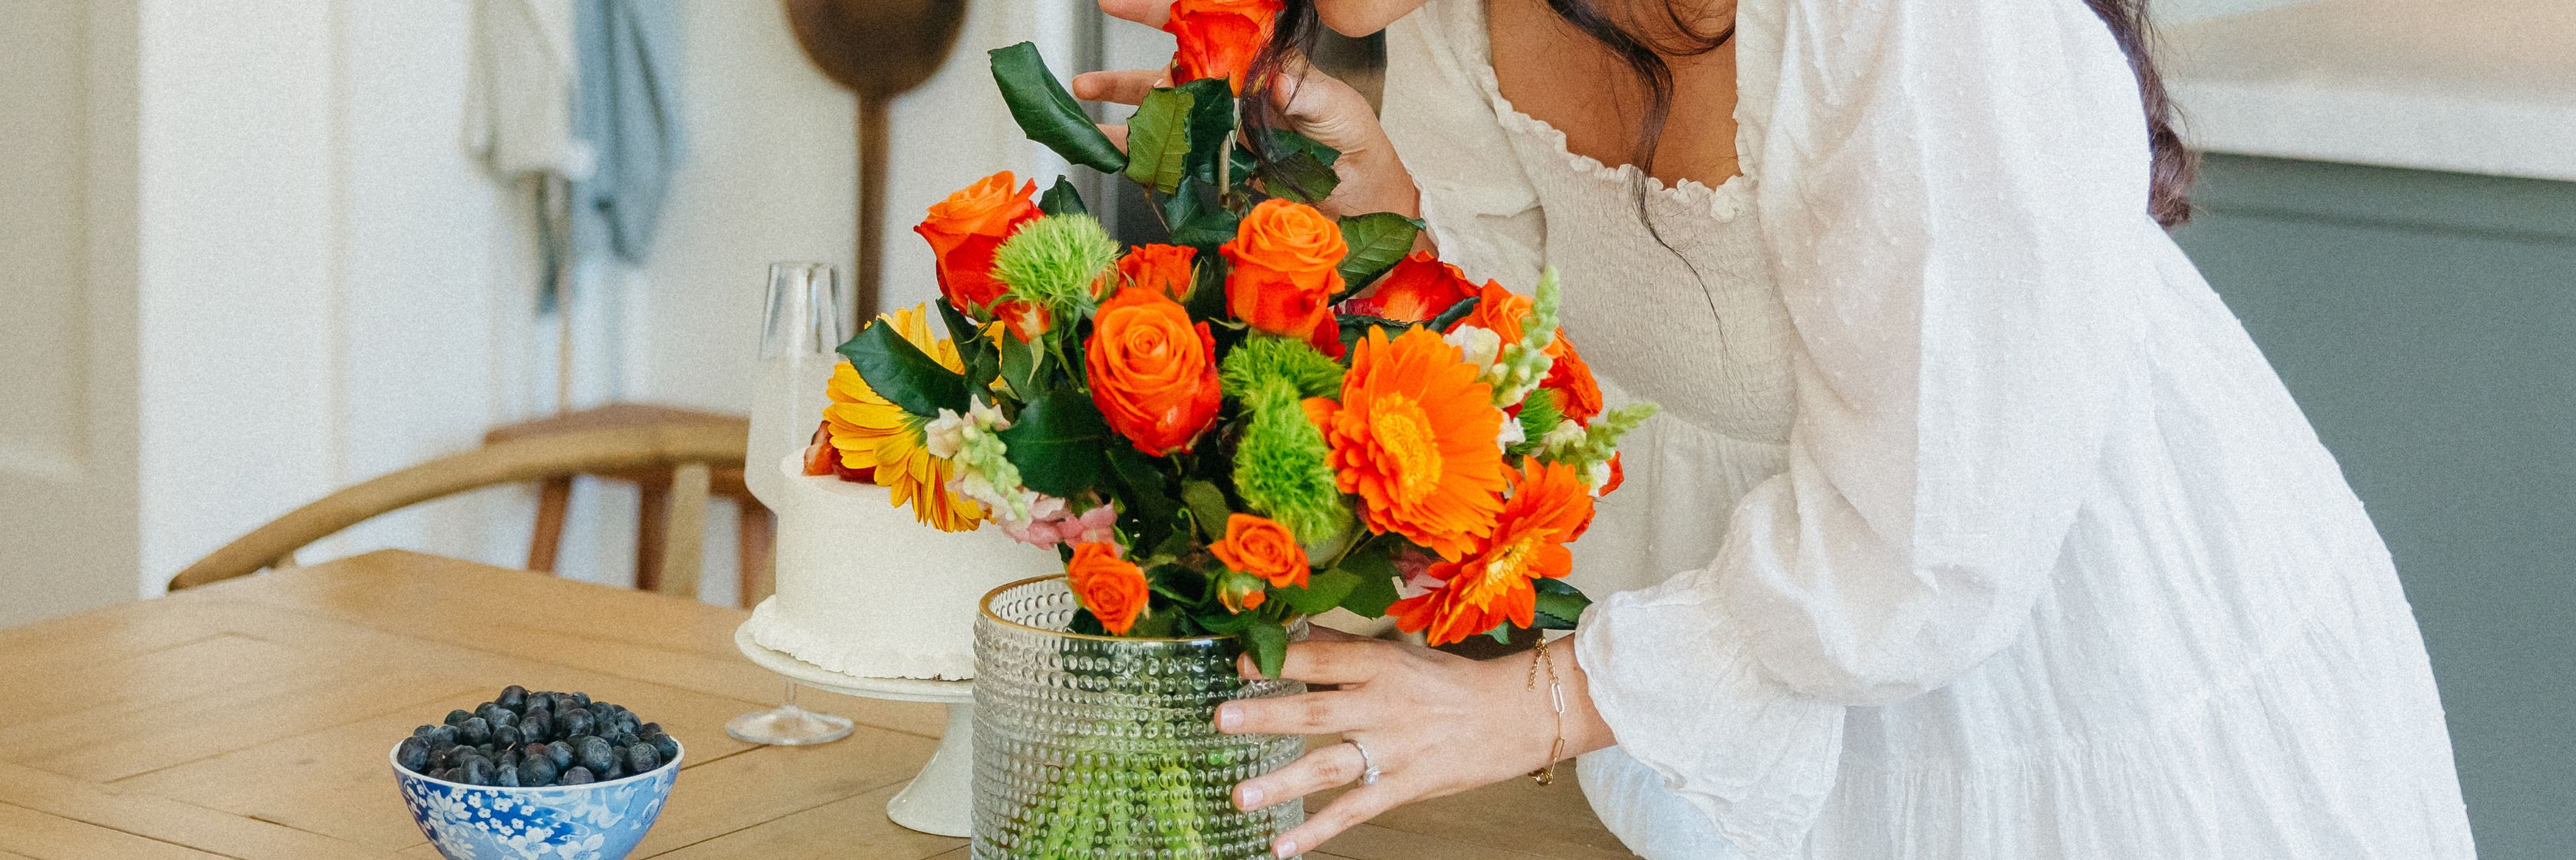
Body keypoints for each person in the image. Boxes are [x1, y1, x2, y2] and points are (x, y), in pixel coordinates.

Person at [1075, 0, 2478, 857]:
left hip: (2079, 687)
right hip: (1786, 706)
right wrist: (1376, 222)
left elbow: (1931, 551)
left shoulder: (1909, 19)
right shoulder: (1457, 19)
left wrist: (1541, 704)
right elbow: (1559, 388)